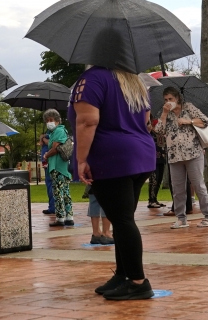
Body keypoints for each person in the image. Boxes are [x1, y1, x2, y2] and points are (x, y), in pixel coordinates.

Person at [71, 63, 156, 301]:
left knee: (122, 219)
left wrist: (81, 159)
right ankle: (124, 274)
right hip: (140, 153)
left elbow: (88, 121)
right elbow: (146, 119)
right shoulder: (135, 80)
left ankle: (138, 281)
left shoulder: (91, 79)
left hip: (112, 156)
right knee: (122, 219)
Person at [156, 87, 208, 228]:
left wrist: (188, 121)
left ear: (177, 98)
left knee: (198, 186)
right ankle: (181, 218)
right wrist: (164, 114)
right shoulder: (165, 112)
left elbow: (205, 121)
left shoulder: (188, 107)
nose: (168, 102)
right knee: (178, 189)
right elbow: (159, 131)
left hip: (193, 153)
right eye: (165, 99)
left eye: (170, 99)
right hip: (174, 155)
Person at [39, 109, 73, 227]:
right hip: (59, 166)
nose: (49, 122)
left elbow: (55, 148)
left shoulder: (58, 131)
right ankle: (69, 216)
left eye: (51, 120)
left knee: (58, 192)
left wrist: (46, 155)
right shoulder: (55, 132)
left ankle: (60, 218)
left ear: (58, 121)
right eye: (47, 120)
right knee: (65, 192)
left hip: (58, 166)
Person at [146, 113, 167, 209]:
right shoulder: (147, 130)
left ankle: (155, 199)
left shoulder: (160, 130)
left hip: (161, 156)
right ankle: (151, 200)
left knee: (159, 179)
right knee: (153, 179)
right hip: (152, 157)